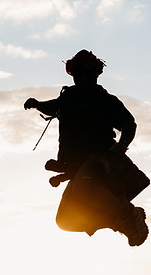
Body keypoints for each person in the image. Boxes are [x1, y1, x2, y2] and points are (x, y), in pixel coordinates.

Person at [24, 49, 149, 246]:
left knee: (83, 189)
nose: (83, 79)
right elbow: (53, 106)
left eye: (87, 74)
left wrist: (121, 146)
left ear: (95, 74)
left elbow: (129, 123)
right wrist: (37, 104)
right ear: (73, 75)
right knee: (65, 220)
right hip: (77, 167)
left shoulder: (105, 100)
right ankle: (121, 220)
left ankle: (126, 213)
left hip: (101, 165)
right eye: (78, 75)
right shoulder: (67, 100)